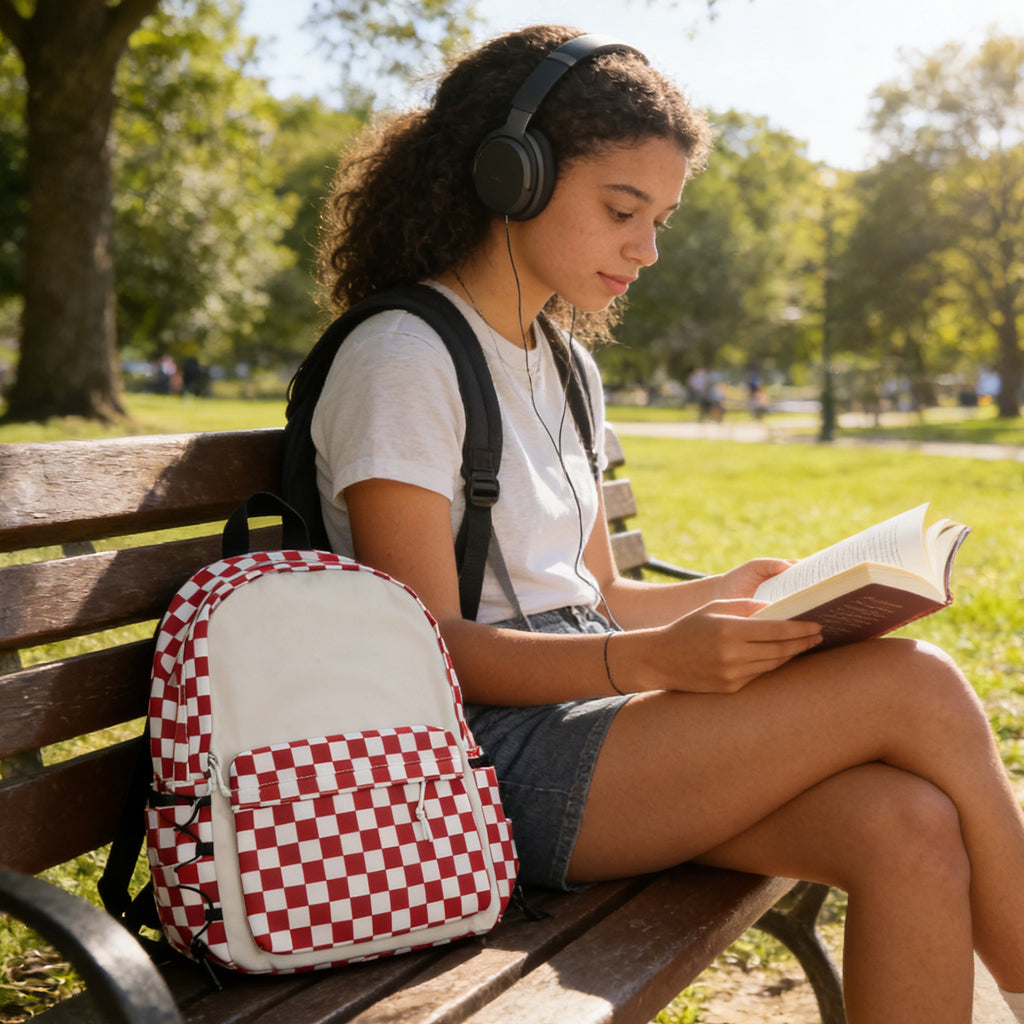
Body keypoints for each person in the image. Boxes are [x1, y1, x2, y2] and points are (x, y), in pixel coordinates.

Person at [302, 25, 1024, 1023]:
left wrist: (729, 597)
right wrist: (657, 665)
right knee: (919, 688)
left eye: (661, 218)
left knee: (905, 824)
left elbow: (597, 595)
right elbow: (426, 652)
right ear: (512, 176)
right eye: (621, 210)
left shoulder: (564, 363)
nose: (645, 249)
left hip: (590, 725)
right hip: (476, 765)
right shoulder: (403, 358)